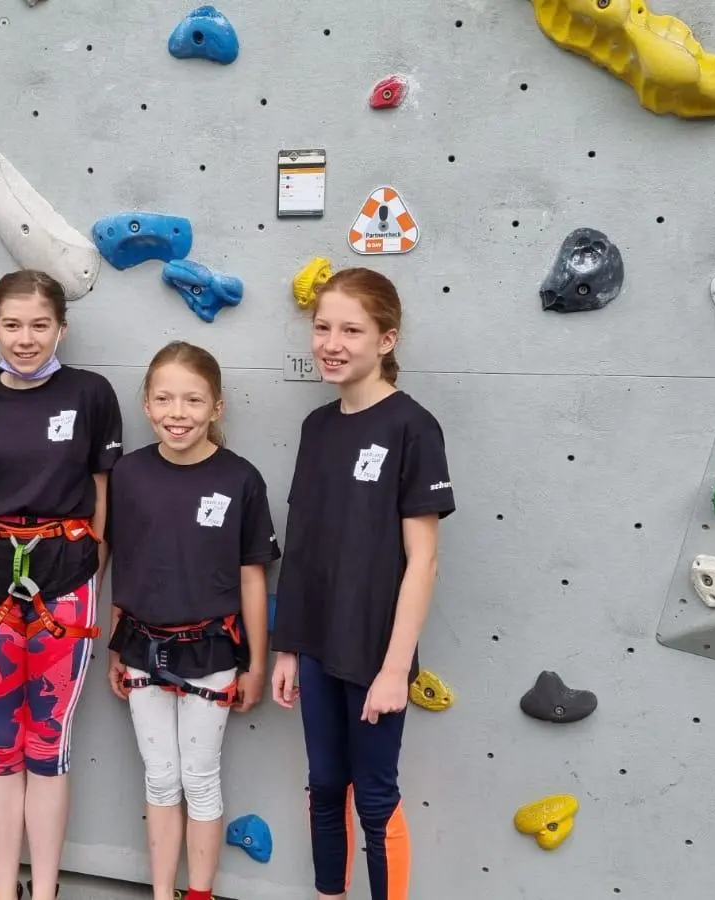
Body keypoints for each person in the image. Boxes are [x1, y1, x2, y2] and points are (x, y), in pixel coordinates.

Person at [269, 267, 455, 900]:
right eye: (323, 328)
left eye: (352, 330)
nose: (332, 344)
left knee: (374, 797)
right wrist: (290, 647)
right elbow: (304, 548)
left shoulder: (412, 427)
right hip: (316, 646)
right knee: (325, 785)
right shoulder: (317, 427)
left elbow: (423, 562)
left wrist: (395, 670)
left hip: (376, 652)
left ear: (386, 340)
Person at [0, 270, 124, 900]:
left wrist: (92, 569)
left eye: (40, 325)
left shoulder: (90, 394)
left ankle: (44, 889)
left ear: (62, 328)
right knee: (2, 745)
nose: (26, 338)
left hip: (67, 576)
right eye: (12, 325)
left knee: (48, 741)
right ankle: (5, 890)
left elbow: (102, 489)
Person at [104, 341, 279, 900]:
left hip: (213, 651)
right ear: (147, 405)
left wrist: (255, 663)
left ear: (216, 407)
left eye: (193, 400)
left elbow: (252, 577)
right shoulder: (128, 474)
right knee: (160, 777)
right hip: (141, 648)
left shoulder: (241, 479)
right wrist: (115, 647)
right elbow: (124, 564)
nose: (177, 413)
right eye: (164, 399)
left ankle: (198, 893)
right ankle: (162, 892)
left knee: (200, 779)